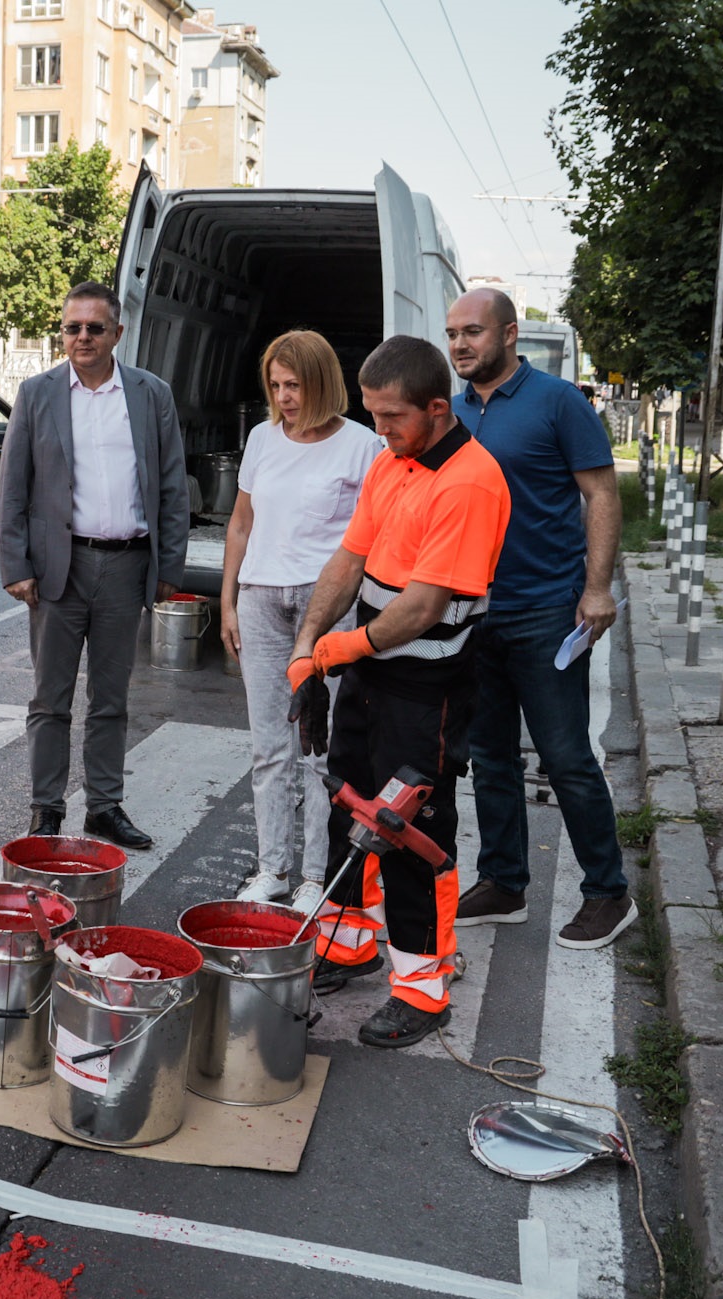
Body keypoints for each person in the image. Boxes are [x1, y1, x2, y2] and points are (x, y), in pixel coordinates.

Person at [289, 335, 510, 1049]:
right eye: (375, 416)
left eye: (391, 418)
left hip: (429, 687)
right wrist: (307, 650)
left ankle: (422, 988)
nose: (380, 432)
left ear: (437, 408)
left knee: (410, 832)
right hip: (370, 676)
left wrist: (341, 647)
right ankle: (347, 945)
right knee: (348, 803)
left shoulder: (470, 482)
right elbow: (349, 558)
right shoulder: (393, 464)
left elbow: (422, 605)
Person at [446, 289, 635, 949]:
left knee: (564, 757)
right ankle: (503, 881)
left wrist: (597, 588)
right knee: (490, 756)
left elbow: (601, 492)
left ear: (508, 332)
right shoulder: (456, 410)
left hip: (548, 609)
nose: (461, 345)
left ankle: (609, 892)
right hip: (475, 612)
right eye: (452, 335)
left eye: (472, 332)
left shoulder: (559, 401)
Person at [0, 281, 189, 850]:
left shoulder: (152, 395)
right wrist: (16, 565)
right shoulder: (37, 394)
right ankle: (46, 809)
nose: (81, 337)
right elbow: (14, 488)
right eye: (72, 327)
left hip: (127, 566)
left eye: (94, 328)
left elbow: (173, 486)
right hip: (60, 566)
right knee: (49, 698)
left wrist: (168, 568)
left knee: (112, 697)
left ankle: (104, 807)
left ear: (117, 334)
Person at [220, 330, 384, 914]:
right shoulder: (263, 439)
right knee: (270, 746)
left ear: (320, 382)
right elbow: (240, 524)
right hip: (261, 599)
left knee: (321, 749)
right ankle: (273, 869)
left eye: (294, 384)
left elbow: (369, 541)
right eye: (276, 385)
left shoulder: (362, 446)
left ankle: (317, 874)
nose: (284, 396)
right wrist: (227, 600)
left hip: (327, 606)